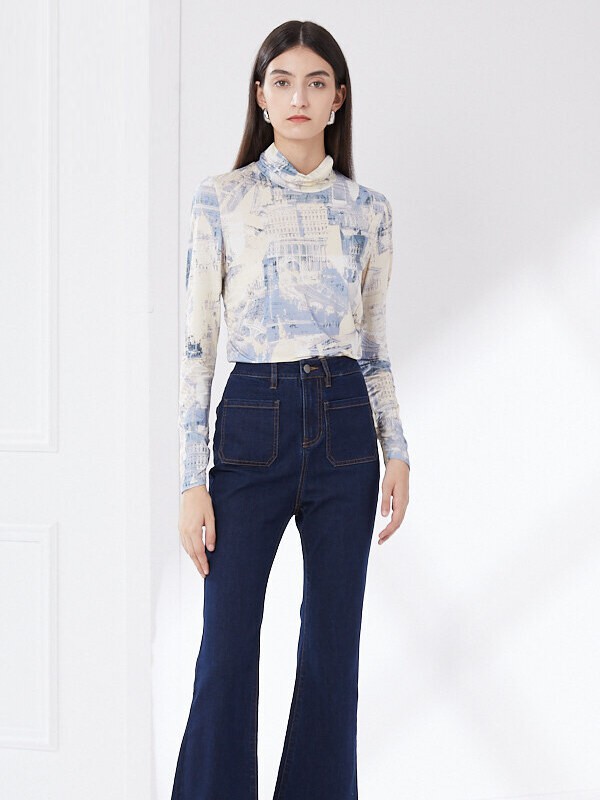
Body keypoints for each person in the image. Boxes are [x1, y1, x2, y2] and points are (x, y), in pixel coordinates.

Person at [171, 19, 410, 800]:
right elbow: (198, 345)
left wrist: (397, 448)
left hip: (345, 429)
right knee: (226, 649)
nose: (298, 96)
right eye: (282, 81)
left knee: (332, 653)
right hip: (251, 423)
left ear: (338, 99)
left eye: (315, 82)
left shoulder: (367, 210)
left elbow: (373, 341)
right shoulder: (223, 199)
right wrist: (191, 478)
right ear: (261, 96)